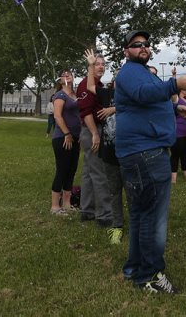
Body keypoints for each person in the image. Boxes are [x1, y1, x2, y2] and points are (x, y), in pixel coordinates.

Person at [115, 30, 186, 294]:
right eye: (136, 44)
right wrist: (176, 85)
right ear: (126, 51)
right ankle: (150, 275)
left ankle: (134, 267)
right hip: (146, 153)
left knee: (140, 213)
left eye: (146, 44)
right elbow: (142, 94)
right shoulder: (129, 72)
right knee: (154, 216)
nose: (143, 47)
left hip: (142, 151)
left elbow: (144, 101)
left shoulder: (141, 72)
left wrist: (175, 108)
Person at [84, 49, 124, 245]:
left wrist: (113, 109)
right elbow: (90, 85)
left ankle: (135, 224)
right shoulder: (107, 93)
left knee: (132, 192)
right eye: (118, 78)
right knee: (114, 190)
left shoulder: (131, 95)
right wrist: (91, 65)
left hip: (128, 152)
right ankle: (117, 226)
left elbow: (138, 105)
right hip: (110, 153)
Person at [76, 56, 113, 228]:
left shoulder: (99, 86)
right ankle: (105, 215)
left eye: (103, 64)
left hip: (93, 130)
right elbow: (86, 112)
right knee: (100, 173)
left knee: (88, 172)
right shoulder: (86, 84)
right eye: (97, 64)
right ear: (90, 66)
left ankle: (87, 210)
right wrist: (94, 134)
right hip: (92, 130)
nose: (101, 67)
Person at [50, 70, 81, 215]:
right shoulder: (60, 95)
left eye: (70, 74)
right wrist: (67, 133)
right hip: (62, 138)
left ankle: (67, 203)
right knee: (62, 169)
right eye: (64, 74)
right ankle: (55, 206)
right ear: (60, 80)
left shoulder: (75, 96)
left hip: (76, 138)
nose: (67, 75)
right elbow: (57, 116)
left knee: (71, 169)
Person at [170, 88, 186, 182]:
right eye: (185, 88)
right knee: (175, 154)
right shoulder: (176, 99)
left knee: (185, 153)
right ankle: (173, 178)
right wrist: (174, 77)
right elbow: (173, 94)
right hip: (178, 131)